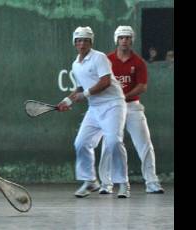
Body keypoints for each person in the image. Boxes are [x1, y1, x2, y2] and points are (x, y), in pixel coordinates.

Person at [57, 26, 130, 198]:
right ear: (74, 43)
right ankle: (90, 181)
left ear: (91, 42)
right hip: (95, 108)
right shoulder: (75, 64)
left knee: (113, 142)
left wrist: (85, 95)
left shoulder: (99, 58)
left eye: (85, 40)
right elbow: (81, 87)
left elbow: (105, 82)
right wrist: (67, 100)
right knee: (81, 143)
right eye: (79, 40)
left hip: (113, 105)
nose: (82, 44)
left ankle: (123, 183)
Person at [98, 26, 164, 194]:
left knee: (145, 144)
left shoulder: (139, 62)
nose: (124, 40)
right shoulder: (107, 60)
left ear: (131, 40)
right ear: (116, 40)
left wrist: (122, 97)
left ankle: (152, 182)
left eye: (127, 37)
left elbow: (142, 86)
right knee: (108, 144)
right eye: (121, 37)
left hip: (133, 107)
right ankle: (106, 184)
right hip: (112, 108)